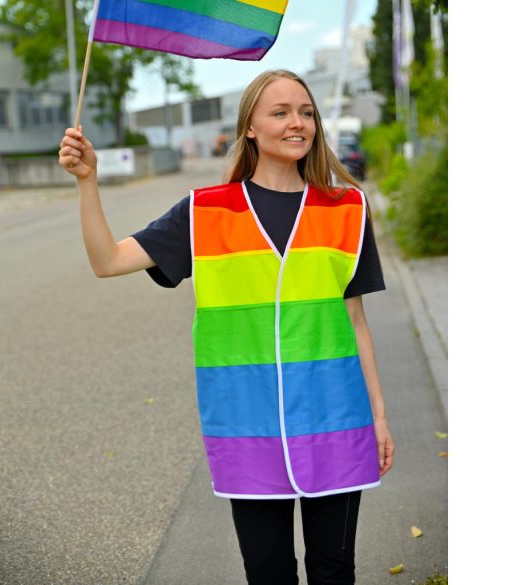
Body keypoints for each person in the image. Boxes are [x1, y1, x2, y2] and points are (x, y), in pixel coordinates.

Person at [58, 69, 395, 585]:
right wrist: (88, 183)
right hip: (246, 425)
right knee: (268, 571)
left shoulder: (347, 209)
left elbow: (356, 320)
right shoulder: (204, 212)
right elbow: (107, 260)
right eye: (280, 112)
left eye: (305, 112)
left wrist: (379, 416)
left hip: (336, 417)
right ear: (251, 129)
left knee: (334, 569)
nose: (296, 123)